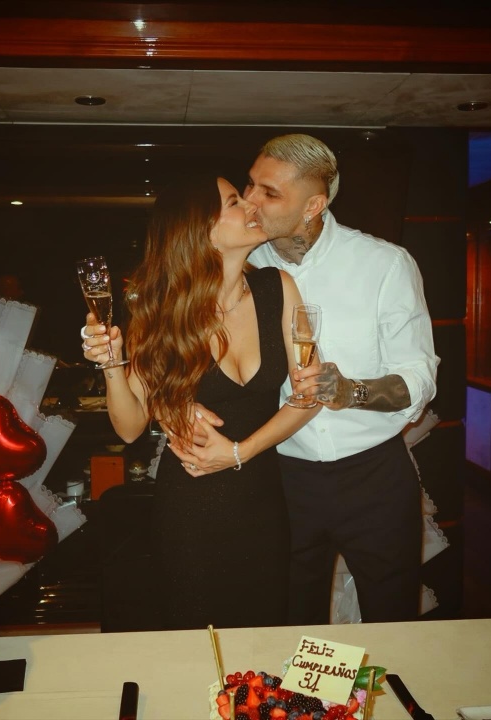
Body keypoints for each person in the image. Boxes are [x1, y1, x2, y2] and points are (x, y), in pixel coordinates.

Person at [184, 134, 440, 625]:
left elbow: (419, 376)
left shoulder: (384, 265)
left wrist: (351, 391)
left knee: (393, 621)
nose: (250, 201)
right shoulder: (243, 264)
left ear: (313, 206)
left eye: (270, 192)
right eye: (249, 185)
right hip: (279, 478)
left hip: (373, 476)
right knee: (286, 620)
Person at [81, 172, 320, 630]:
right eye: (234, 202)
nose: (251, 206)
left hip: (263, 504)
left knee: (263, 638)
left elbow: (310, 394)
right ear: (201, 231)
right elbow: (129, 428)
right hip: (190, 510)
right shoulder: (163, 309)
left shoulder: (278, 288)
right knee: (195, 642)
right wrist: (112, 363)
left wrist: (239, 452)